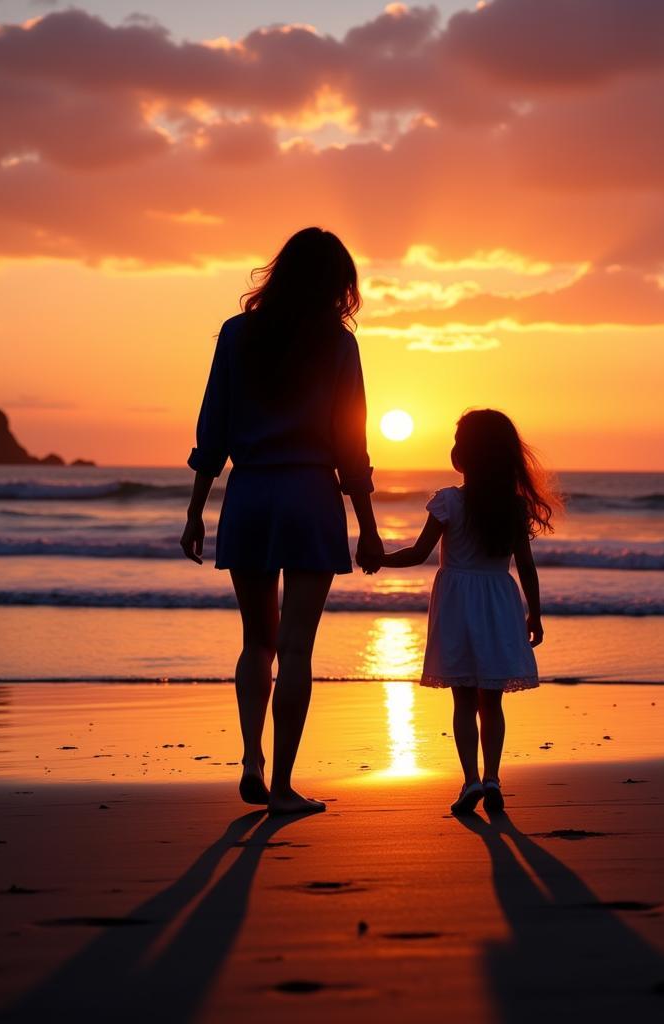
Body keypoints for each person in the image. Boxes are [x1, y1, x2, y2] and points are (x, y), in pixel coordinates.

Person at [180, 227, 383, 816]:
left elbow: (212, 427)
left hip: (249, 495)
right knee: (296, 648)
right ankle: (284, 787)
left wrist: (195, 510)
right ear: (335, 283)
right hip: (309, 495)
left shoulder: (237, 333)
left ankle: (251, 760)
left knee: (256, 643)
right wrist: (366, 523)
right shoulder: (337, 344)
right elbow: (351, 440)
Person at [376, 410, 558, 815]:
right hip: (499, 602)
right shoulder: (512, 507)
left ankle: (471, 781)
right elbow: (526, 567)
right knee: (491, 702)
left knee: (463, 702)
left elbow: (418, 554)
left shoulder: (448, 501)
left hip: (458, 603)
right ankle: (493, 778)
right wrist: (535, 615)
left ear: (463, 457)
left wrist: (379, 559)